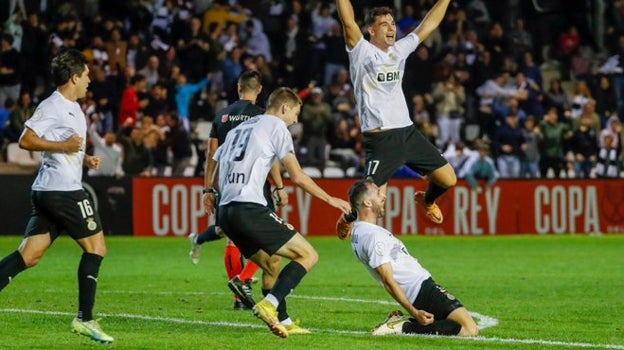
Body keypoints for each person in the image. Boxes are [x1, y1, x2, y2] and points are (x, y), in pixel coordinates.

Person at [210, 87, 351, 338]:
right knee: (308, 255)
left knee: (272, 263)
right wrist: (330, 199)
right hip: (248, 207)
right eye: (296, 113)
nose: (296, 120)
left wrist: (213, 194)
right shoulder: (276, 126)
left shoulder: (238, 129)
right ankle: (269, 304)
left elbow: (217, 164)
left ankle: (282, 321)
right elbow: (297, 175)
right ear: (285, 107)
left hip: (225, 210)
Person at [0, 49, 114, 344]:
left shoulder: (74, 107)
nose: (90, 79)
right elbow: (26, 139)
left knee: (29, 255)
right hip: (62, 191)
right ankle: (85, 319)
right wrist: (64, 147)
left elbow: (66, 144)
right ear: (74, 77)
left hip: (49, 190)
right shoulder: (53, 105)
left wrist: (84, 157)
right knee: (97, 247)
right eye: (86, 74)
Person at [335, 0, 457, 239]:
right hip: (381, 140)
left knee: (448, 179)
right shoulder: (361, 51)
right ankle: (349, 215)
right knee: (373, 203)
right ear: (371, 30)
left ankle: (427, 200)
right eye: (384, 24)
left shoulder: (399, 50)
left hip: (408, 133)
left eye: (392, 23)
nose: (391, 28)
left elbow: (427, 25)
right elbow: (348, 20)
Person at [188, 70, 288, 312]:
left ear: (238, 88)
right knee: (269, 244)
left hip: (229, 183)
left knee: (233, 237)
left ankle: (238, 296)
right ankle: (243, 282)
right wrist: (280, 186)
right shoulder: (262, 116)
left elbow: (211, 156)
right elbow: (271, 156)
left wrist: (208, 189)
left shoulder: (221, 116)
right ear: (260, 90)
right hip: (257, 185)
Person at [347, 179, 479, 337]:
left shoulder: (359, 232)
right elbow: (388, 280)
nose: (383, 196)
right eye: (377, 193)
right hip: (420, 289)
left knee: (456, 325)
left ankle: (400, 323)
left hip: (419, 289)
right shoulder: (373, 236)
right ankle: (403, 327)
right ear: (367, 202)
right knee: (469, 329)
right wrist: (414, 312)